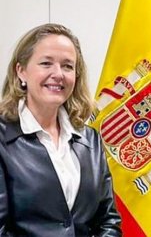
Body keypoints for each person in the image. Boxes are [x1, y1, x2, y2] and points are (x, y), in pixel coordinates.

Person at [0, 23, 122, 236]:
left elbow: (108, 219)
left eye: (67, 66)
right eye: (46, 63)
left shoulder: (90, 139)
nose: (58, 74)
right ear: (21, 71)